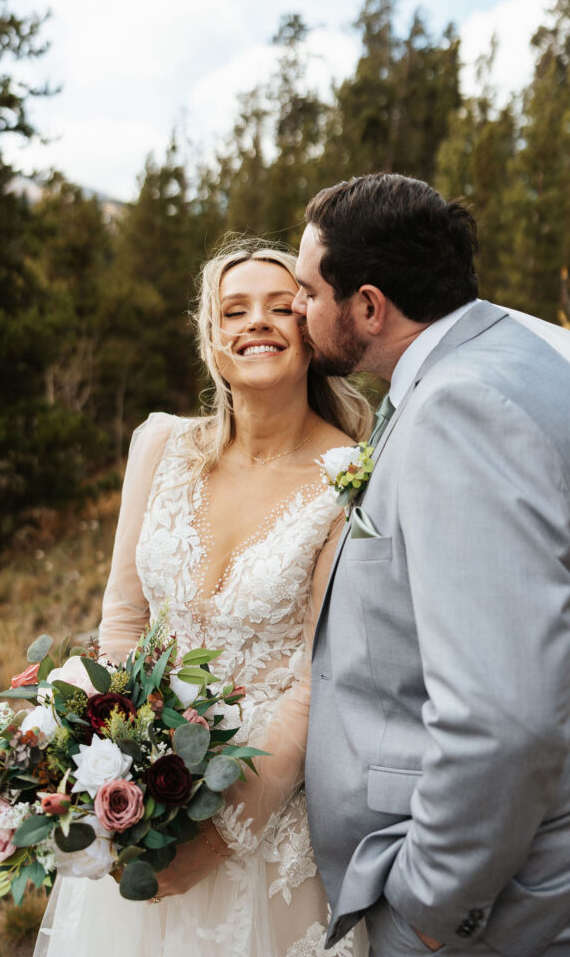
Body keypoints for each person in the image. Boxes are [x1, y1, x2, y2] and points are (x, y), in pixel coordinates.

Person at [34, 239, 372, 957]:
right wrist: (115, 782)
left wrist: (214, 840)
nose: (258, 323)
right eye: (235, 310)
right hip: (145, 797)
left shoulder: (345, 478)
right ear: (212, 341)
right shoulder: (162, 448)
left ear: (311, 333)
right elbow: (123, 624)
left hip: (264, 819)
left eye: (283, 308)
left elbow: (318, 686)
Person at [295, 173, 570, 956]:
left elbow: (504, 719)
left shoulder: (459, 410)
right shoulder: (517, 355)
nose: (300, 312)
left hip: (501, 901)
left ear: (369, 306)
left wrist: (431, 903)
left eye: (310, 292)